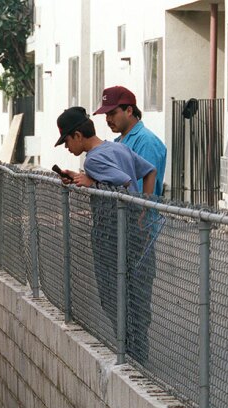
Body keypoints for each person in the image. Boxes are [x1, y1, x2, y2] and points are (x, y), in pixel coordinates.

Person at [54, 106, 157, 364]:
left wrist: (93, 182)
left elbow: (121, 181)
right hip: (135, 230)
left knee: (112, 295)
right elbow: (150, 171)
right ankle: (137, 355)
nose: (66, 147)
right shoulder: (117, 147)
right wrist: (143, 206)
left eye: (66, 140)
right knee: (135, 296)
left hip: (112, 235)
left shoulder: (92, 160)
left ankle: (130, 355)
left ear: (78, 135)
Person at [95, 87, 166, 365]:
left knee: (136, 297)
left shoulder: (146, 141)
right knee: (115, 294)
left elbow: (148, 180)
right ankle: (128, 351)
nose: (108, 119)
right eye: (105, 114)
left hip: (138, 232)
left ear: (129, 110)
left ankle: (138, 358)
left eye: (112, 113)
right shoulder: (119, 140)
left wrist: (139, 219)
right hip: (119, 231)